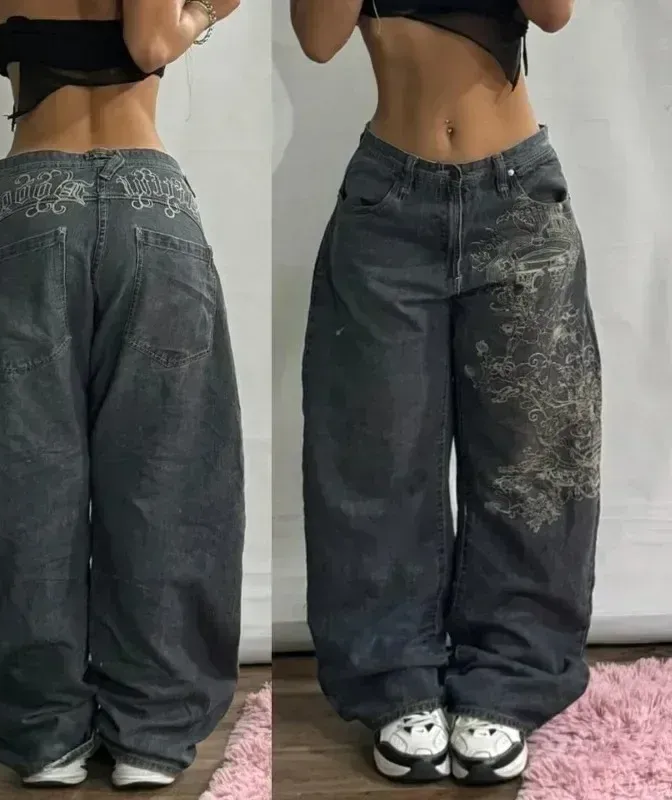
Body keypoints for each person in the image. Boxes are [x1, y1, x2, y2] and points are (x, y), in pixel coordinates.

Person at [291, 0, 600, 787]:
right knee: (376, 455)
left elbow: (555, 13)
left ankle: (508, 683)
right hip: (388, 208)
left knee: (532, 461)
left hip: (517, 196)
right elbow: (318, 39)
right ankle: (396, 681)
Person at [0, 0, 244, 789]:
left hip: (28, 203)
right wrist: (209, 9)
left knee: (13, 482)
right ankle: (152, 730)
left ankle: (43, 733)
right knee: (171, 477)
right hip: (151, 205)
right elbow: (148, 38)